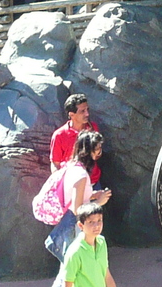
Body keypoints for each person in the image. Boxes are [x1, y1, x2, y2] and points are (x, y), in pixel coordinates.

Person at [48, 131, 112, 284]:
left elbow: (76, 195)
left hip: (71, 225)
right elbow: (78, 210)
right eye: (97, 149)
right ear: (89, 151)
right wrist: (99, 203)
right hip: (75, 228)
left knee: (66, 271)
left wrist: (92, 195)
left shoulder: (73, 167)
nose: (99, 152)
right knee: (69, 273)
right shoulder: (81, 175)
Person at [60, 202, 115, 287]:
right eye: (91, 222)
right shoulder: (75, 252)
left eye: (99, 220)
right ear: (81, 225)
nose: (97, 225)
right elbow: (68, 282)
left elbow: (106, 273)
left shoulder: (102, 242)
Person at [52, 93, 102, 185]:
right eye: (82, 111)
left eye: (87, 109)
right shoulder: (60, 135)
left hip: (93, 181)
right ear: (72, 114)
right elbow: (55, 163)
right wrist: (58, 184)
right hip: (72, 184)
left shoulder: (92, 128)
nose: (87, 114)